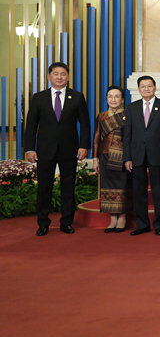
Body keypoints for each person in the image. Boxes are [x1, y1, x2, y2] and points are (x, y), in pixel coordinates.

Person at [24, 62, 91, 236]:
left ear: (68, 77)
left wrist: (84, 146)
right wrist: (30, 148)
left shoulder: (76, 97)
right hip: (45, 149)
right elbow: (31, 125)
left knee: (68, 187)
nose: (59, 77)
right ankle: (43, 223)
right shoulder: (39, 97)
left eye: (63, 74)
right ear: (49, 77)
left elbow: (85, 124)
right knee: (44, 187)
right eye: (55, 74)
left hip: (70, 149)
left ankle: (66, 222)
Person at [123, 75, 160, 236]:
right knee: (139, 191)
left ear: (155, 87)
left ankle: (159, 224)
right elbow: (127, 135)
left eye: (149, 86)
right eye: (143, 86)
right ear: (138, 89)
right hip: (137, 155)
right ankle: (142, 224)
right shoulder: (132, 107)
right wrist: (127, 157)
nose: (146, 89)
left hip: (157, 154)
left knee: (158, 190)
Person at [92, 86, 132, 233]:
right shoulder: (101, 116)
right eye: (110, 96)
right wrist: (95, 158)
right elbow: (96, 139)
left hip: (123, 157)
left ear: (122, 99)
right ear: (107, 99)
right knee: (107, 188)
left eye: (117, 96)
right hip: (105, 156)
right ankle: (112, 219)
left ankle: (122, 218)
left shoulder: (129, 114)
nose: (113, 99)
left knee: (123, 187)